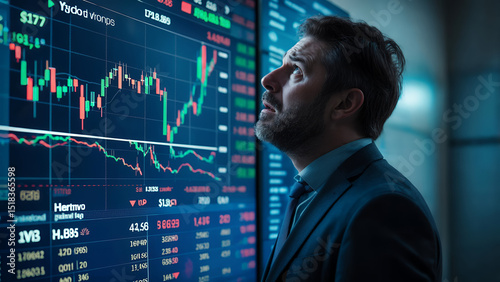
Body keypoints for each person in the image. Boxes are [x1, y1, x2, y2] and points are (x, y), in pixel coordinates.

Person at [255, 16, 442, 281]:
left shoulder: (385, 210)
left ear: (344, 104)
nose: (268, 79)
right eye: (281, 64)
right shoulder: (314, 192)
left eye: (296, 69)